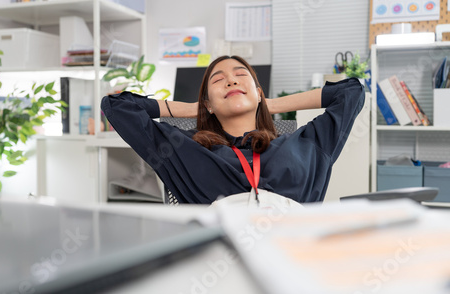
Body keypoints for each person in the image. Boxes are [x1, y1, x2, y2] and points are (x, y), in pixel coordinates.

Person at [101, 55, 365, 205]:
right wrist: (196, 108)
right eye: (218, 79)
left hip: (294, 261)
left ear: (258, 93)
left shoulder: (306, 144)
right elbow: (117, 106)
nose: (230, 79)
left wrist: (269, 103)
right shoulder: (183, 149)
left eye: (240, 75)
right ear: (208, 102)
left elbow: (351, 92)